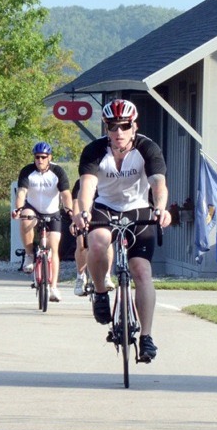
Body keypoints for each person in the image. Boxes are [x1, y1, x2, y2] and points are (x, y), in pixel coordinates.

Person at [72, 99, 172, 363]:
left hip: (138, 210)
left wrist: (161, 208)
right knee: (97, 241)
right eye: (113, 126)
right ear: (106, 128)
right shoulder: (95, 151)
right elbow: (87, 188)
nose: (119, 132)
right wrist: (83, 211)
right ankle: (101, 292)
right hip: (105, 207)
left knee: (141, 271)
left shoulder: (147, 148)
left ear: (134, 126)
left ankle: (147, 337)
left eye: (124, 126)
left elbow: (158, 185)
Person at [11, 142, 73, 302]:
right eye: (37, 157)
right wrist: (18, 208)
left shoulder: (57, 171)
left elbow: (65, 194)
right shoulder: (27, 171)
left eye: (43, 157)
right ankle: (30, 254)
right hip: (33, 209)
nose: (40, 160)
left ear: (49, 158)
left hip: (52, 211)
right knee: (25, 217)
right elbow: (22, 193)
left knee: (53, 248)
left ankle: (53, 287)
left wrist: (69, 209)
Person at [70, 178, 114, 297]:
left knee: (107, 242)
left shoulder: (106, 181)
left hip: (101, 217)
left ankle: (106, 276)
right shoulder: (81, 182)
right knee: (81, 245)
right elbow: (75, 203)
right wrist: (75, 220)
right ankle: (81, 277)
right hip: (84, 218)